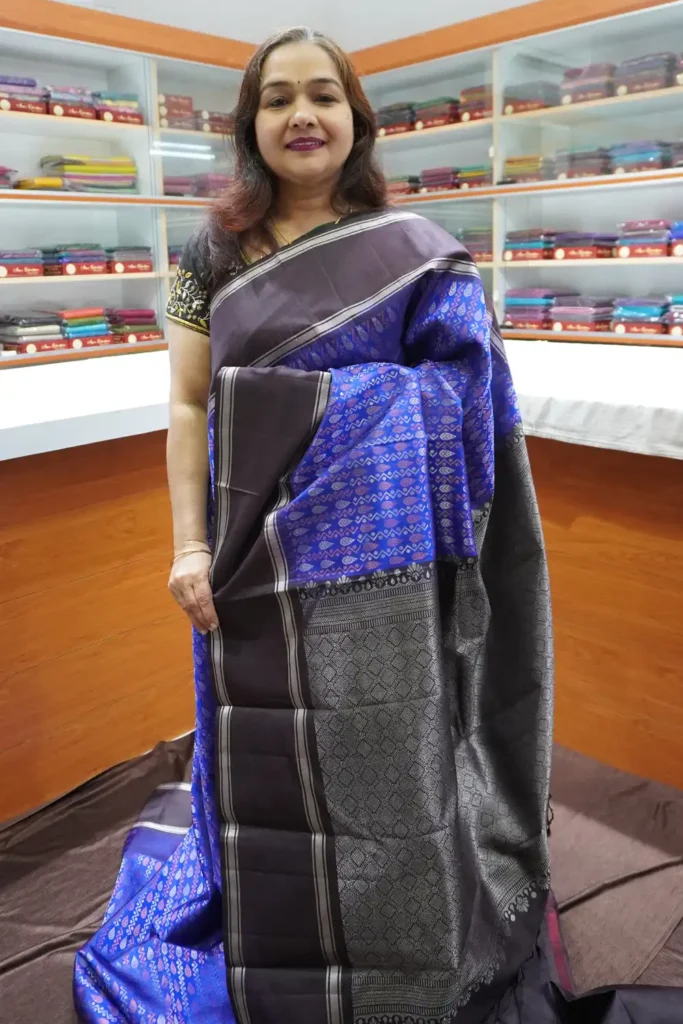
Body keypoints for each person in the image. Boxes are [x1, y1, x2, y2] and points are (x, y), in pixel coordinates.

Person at [75, 27, 681, 1024]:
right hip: (255, 553)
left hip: (386, 569)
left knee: (388, 750)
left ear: (356, 118)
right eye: (277, 99)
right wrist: (188, 544)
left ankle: (395, 924)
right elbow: (188, 402)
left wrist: (336, 410)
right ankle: (266, 917)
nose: (300, 115)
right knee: (260, 746)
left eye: (322, 95)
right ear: (249, 123)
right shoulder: (211, 250)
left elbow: (463, 391)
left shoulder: (409, 249)